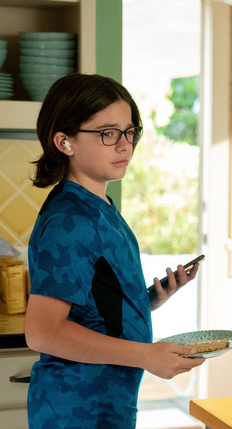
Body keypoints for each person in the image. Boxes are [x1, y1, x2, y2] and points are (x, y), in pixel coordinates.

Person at [24, 73, 204, 428]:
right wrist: (146, 355)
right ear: (65, 142)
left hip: (108, 401)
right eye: (108, 133)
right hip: (76, 409)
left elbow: (91, 307)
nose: (125, 145)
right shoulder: (69, 220)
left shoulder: (100, 205)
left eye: (129, 131)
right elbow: (42, 332)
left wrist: (148, 299)